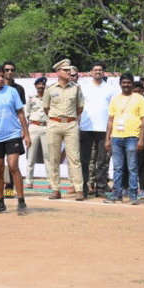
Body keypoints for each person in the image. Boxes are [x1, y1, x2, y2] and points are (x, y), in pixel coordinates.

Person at [0, 64, 31, 215]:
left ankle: (21, 202)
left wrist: (26, 133)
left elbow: (20, 112)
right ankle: (0, 203)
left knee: (13, 165)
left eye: (2, 76)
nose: (1, 79)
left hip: (13, 134)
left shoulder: (12, 92)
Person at [44, 60, 84, 200]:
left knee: (74, 158)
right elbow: (46, 107)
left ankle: (78, 188)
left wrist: (69, 119)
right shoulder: (50, 88)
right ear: (58, 72)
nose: (69, 72)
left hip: (71, 124)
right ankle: (55, 189)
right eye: (66, 70)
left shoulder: (76, 88)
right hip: (54, 123)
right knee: (54, 158)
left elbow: (80, 108)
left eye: (70, 70)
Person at [104, 73, 144, 204]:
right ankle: (117, 194)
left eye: (129, 82)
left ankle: (133, 195)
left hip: (132, 137)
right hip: (116, 137)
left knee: (132, 168)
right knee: (117, 168)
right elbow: (110, 120)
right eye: (124, 82)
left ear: (132, 84)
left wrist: (141, 139)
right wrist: (107, 138)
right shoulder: (115, 99)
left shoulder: (139, 99)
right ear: (120, 84)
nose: (126, 85)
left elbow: (143, 120)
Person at [80, 62, 114, 197]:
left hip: (103, 128)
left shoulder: (110, 88)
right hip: (86, 127)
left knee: (102, 161)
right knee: (84, 161)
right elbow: (78, 107)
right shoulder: (83, 87)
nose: (98, 72)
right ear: (91, 72)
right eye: (95, 70)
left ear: (104, 72)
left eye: (100, 70)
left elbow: (113, 110)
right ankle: (83, 188)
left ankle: (100, 188)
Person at [25, 77, 49, 189]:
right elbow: (27, 114)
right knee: (31, 155)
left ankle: (50, 181)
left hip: (46, 127)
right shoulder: (31, 98)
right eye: (38, 84)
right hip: (33, 126)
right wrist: (25, 131)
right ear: (35, 86)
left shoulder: (49, 98)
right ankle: (29, 181)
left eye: (42, 84)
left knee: (48, 156)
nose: (41, 86)